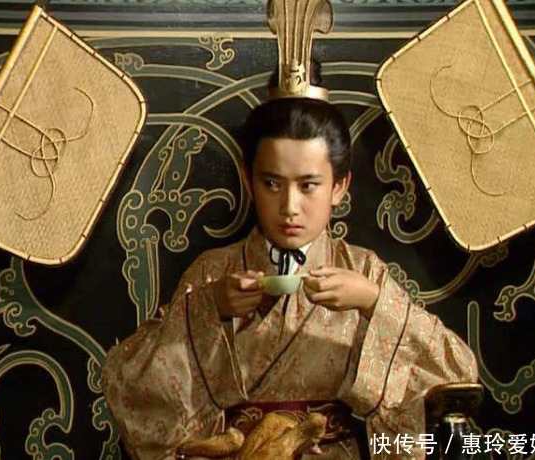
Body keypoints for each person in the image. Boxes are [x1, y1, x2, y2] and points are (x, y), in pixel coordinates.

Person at [101, 69, 478, 459]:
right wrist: (207, 309)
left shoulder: (364, 271)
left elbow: (458, 373)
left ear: (339, 186)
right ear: (249, 181)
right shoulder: (212, 272)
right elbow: (128, 387)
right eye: (272, 183)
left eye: (308, 185)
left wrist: (373, 302)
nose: (289, 207)